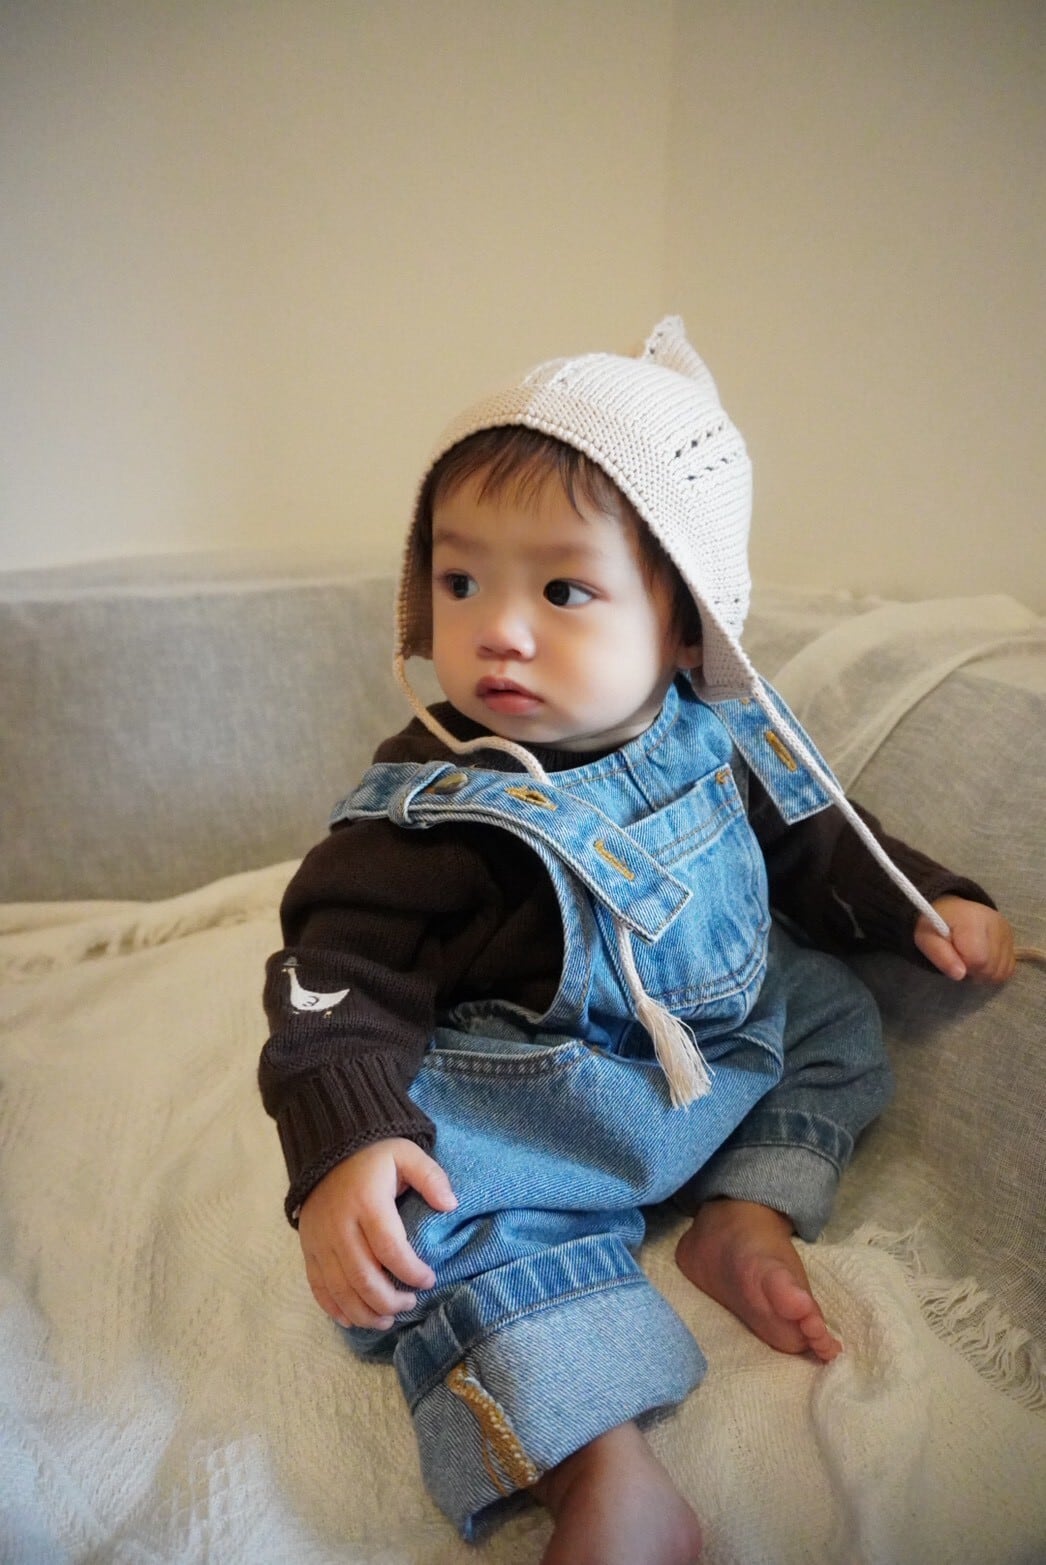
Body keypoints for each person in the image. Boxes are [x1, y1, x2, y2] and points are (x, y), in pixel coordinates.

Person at [259, 318, 1015, 1564]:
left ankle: (741, 1212)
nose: (499, 630)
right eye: (461, 582)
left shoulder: (723, 732)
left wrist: (922, 901)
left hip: (722, 1055)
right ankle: (600, 1461)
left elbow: (823, 845)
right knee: (428, 1233)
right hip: (535, 1112)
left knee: (834, 1012)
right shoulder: (430, 804)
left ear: (682, 624)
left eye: (562, 590)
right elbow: (335, 975)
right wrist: (348, 1137)